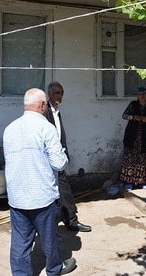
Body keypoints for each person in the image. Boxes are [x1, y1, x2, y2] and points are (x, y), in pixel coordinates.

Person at [3, 88, 76, 275]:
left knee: (20, 243)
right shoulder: (46, 128)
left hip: (17, 197)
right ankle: (54, 269)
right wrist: (65, 158)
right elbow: (59, 164)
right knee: (49, 239)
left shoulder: (9, 129)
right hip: (42, 197)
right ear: (43, 105)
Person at [45, 81, 92, 232]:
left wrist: (64, 152)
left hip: (58, 158)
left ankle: (71, 220)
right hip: (47, 160)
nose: (60, 96)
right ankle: (52, 224)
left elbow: (59, 135)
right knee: (50, 194)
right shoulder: (45, 111)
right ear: (49, 94)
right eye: (57, 93)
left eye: (62, 92)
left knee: (64, 190)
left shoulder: (57, 111)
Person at [120, 87, 146, 191]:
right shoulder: (133, 105)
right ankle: (128, 183)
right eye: (140, 94)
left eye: (144, 94)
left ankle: (142, 183)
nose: (142, 96)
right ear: (137, 96)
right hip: (131, 137)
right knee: (129, 160)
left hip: (143, 139)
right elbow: (124, 116)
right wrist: (134, 117)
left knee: (142, 160)